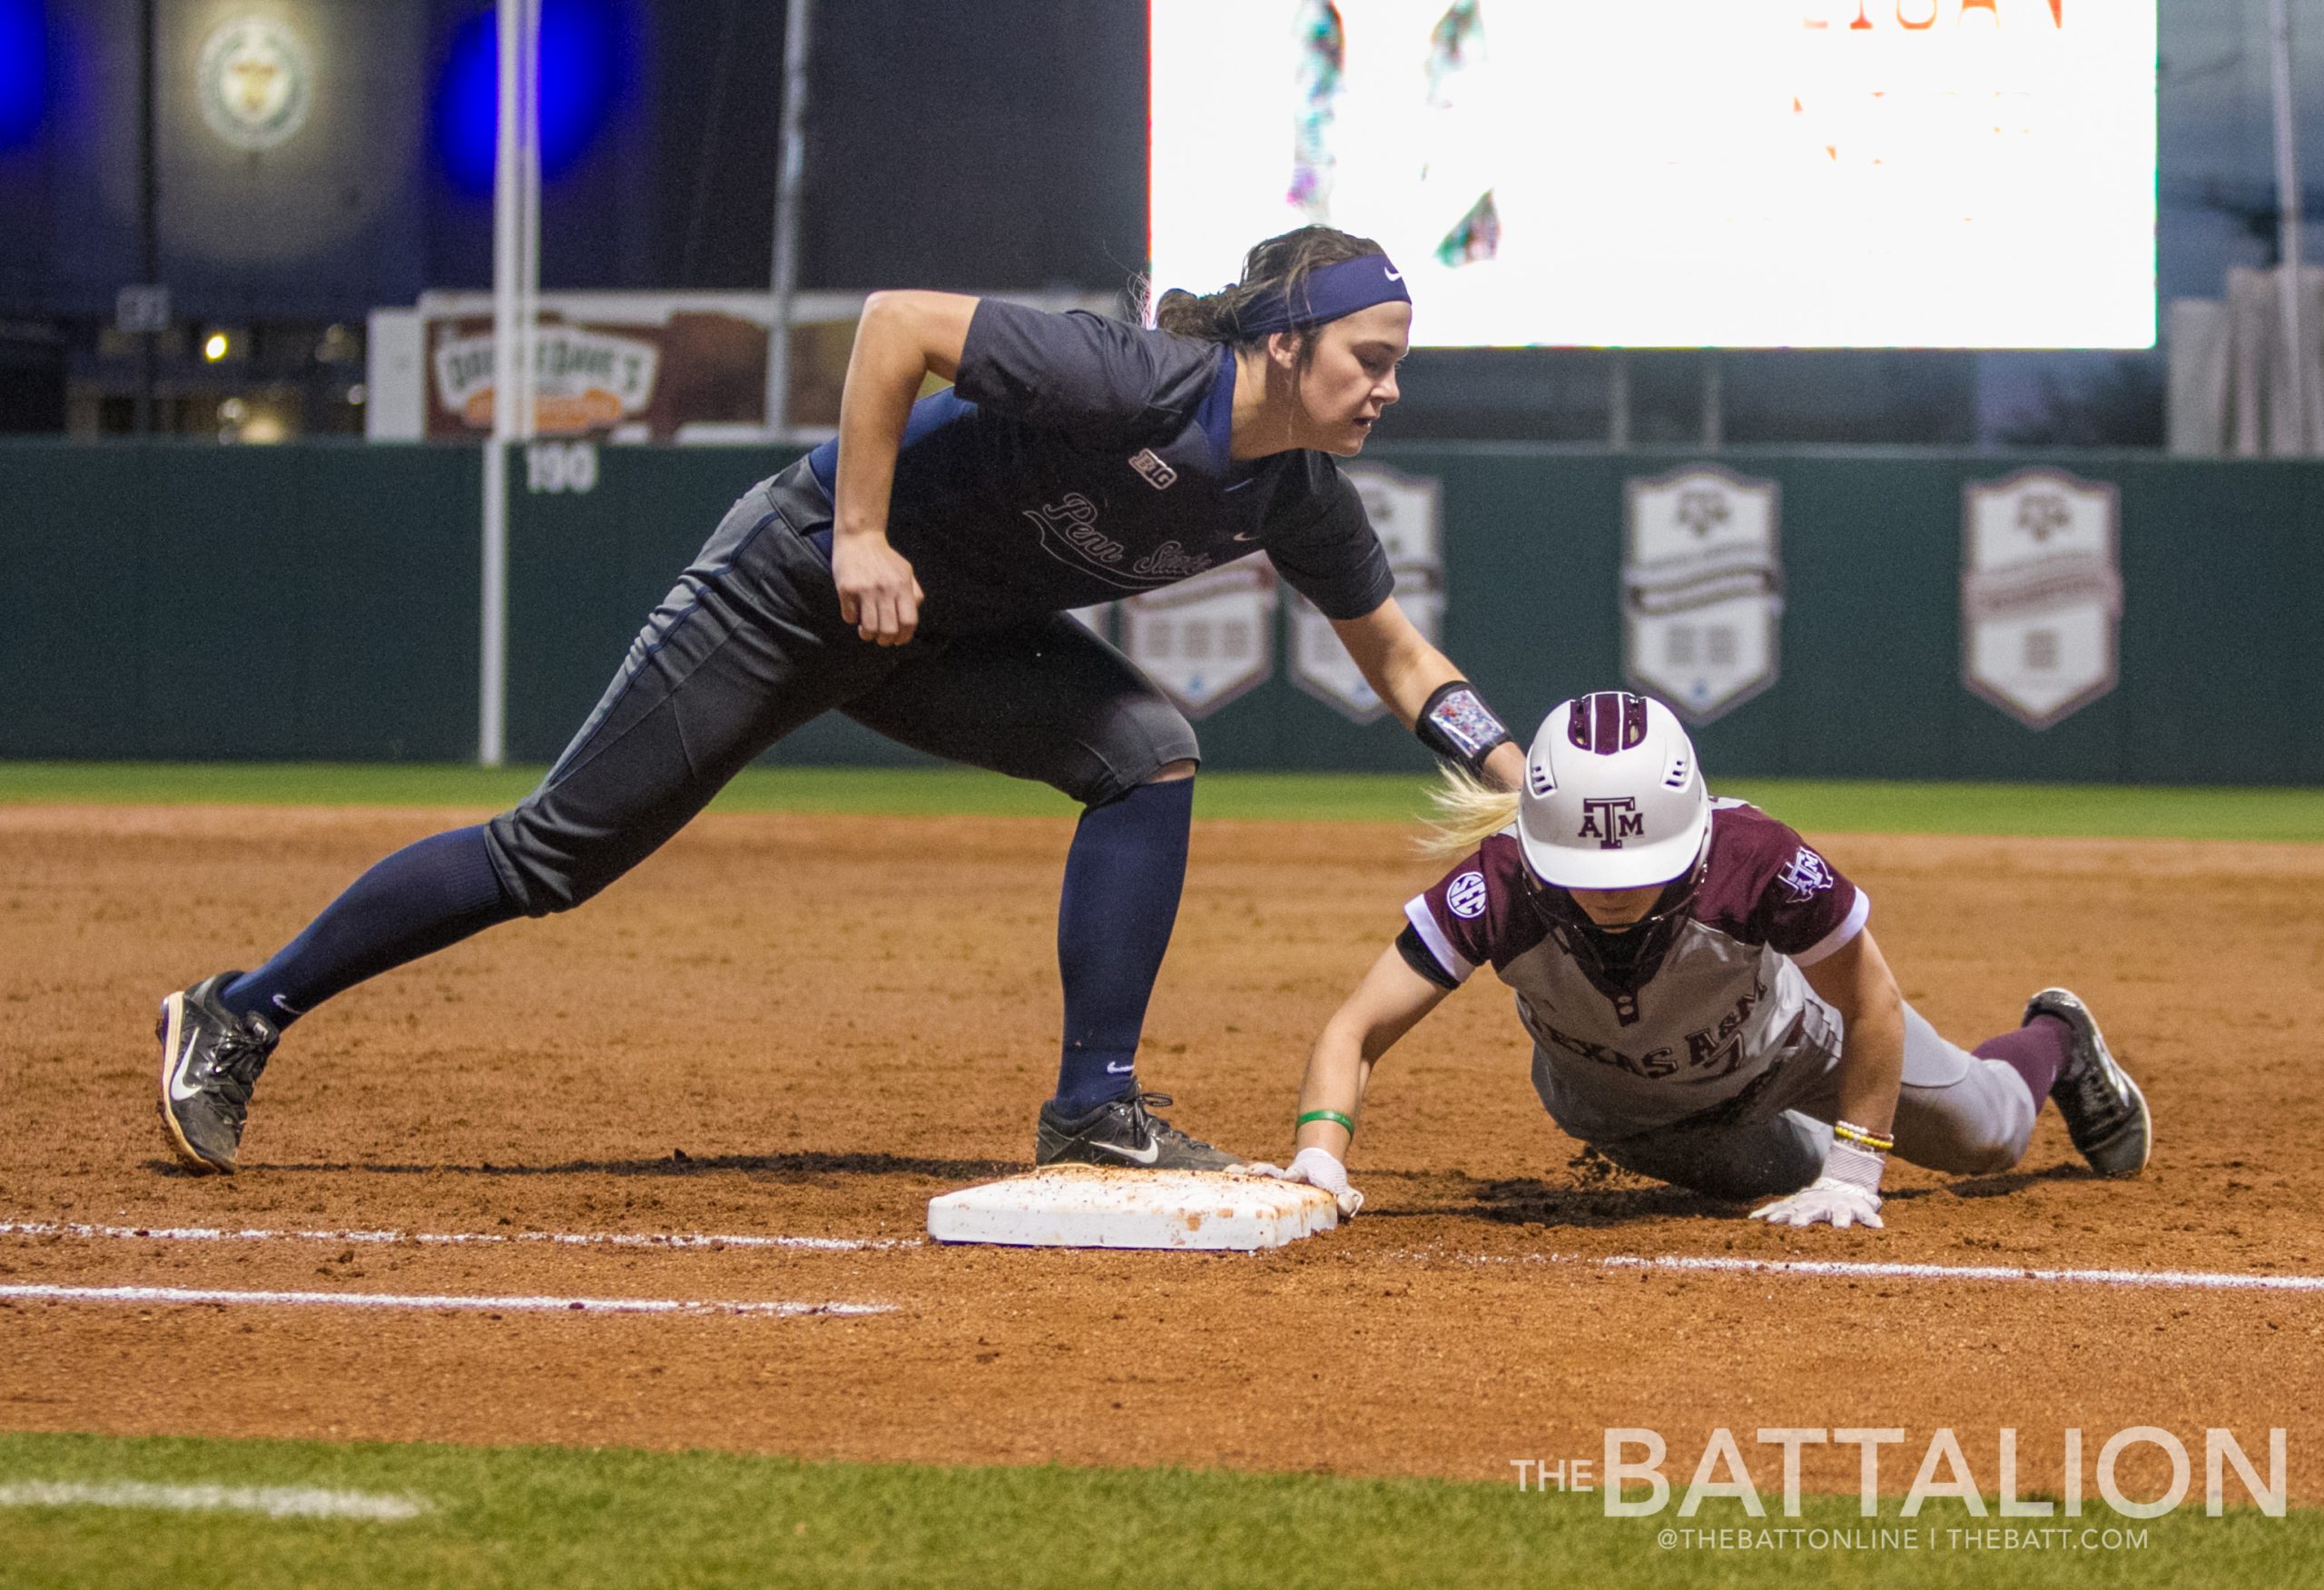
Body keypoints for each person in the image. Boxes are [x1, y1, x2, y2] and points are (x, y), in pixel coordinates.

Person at [154, 225, 1528, 1177]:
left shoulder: (1298, 495)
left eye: (1398, 360)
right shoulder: (1135, 380)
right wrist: (859, 535)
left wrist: (1513, 767)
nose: (1387, 387)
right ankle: (241, 1007)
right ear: (1286, 343)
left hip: (937, 634)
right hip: (795, 579)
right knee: (553, 855)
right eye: (1369, 354)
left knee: (1148, 750)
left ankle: (1094, 1103)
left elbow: (1401, 657)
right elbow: (897, 328)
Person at [1256, 691, 2152, 1229]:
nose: (1609, 892)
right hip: (1639, 1114)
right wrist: (1319, 1156)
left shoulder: (1757, 857)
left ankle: (2054, 1040)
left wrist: (1856, 1167)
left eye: (1635, 867)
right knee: (1787, 1185)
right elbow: (1356, 1029)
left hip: (1801, 1044)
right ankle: (1813, 1154)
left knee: (1988, 1134)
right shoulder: (1498, 884)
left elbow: (1869, 1000)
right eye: (1584, 868)